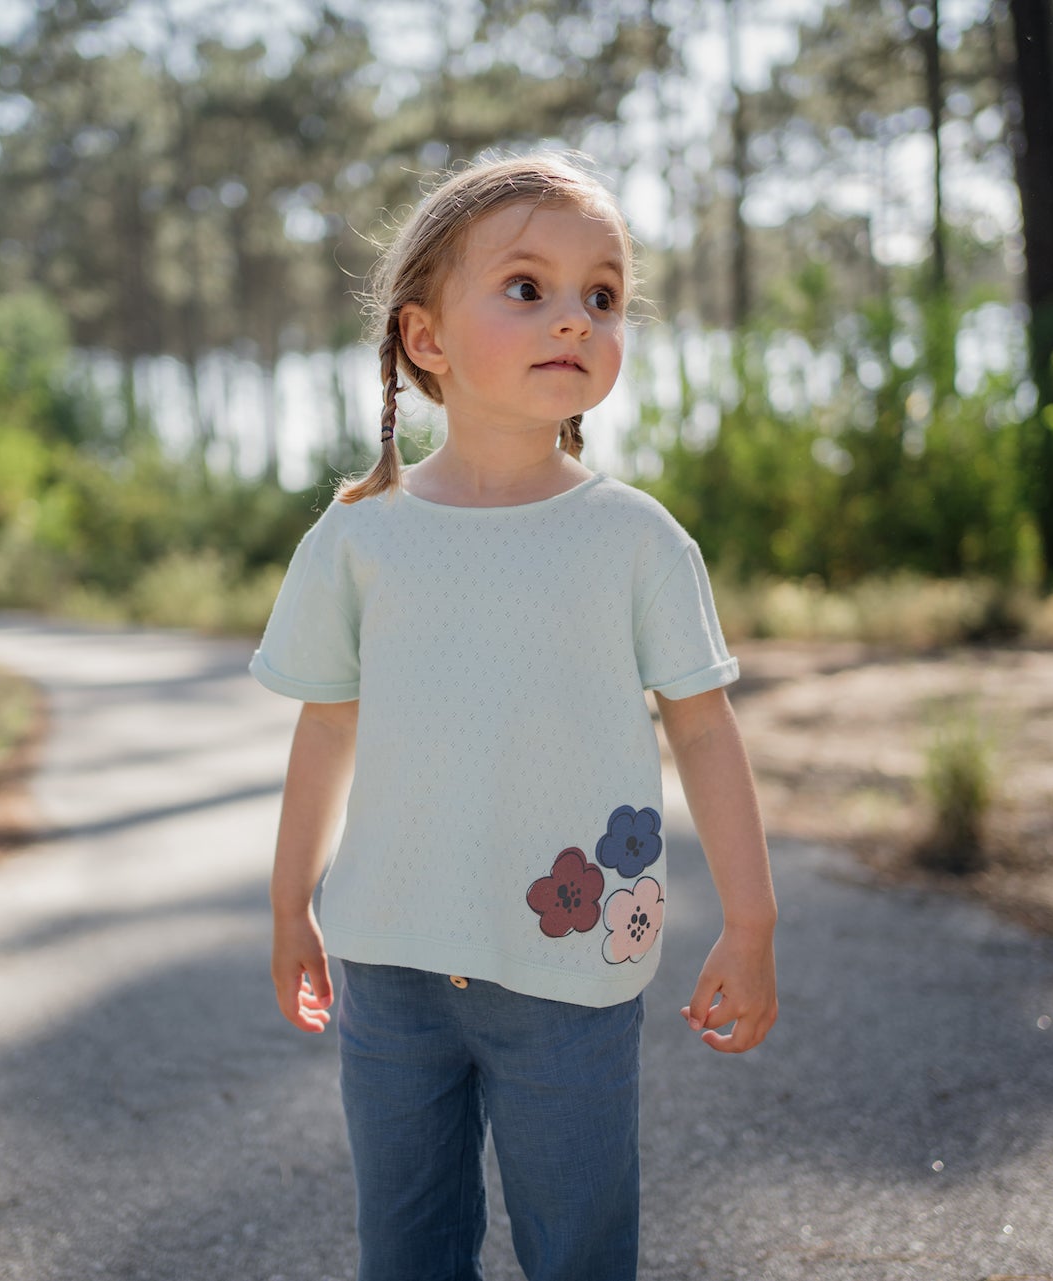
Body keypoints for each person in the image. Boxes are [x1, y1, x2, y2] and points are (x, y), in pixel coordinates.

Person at [250, 152, 779, 1281]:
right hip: (388, 961)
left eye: (604, 295)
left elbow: (702, 730)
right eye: (528, 288)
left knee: (580, 1250)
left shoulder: (635, 539)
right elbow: (326, 728)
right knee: (406, 1249)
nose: (576, 319)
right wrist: (290, 900)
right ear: (425, 339)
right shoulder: (358, 538)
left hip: (570, 971)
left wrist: (753, 919)